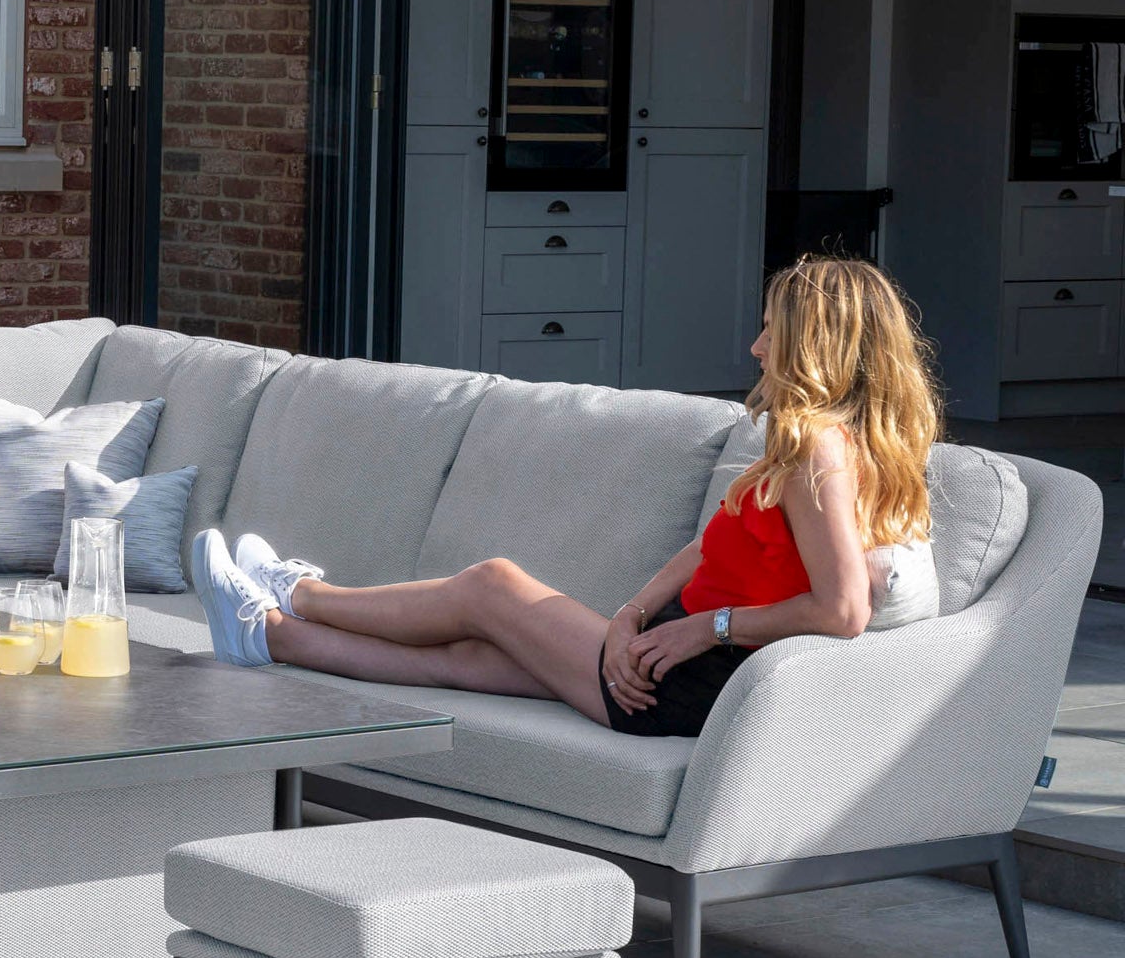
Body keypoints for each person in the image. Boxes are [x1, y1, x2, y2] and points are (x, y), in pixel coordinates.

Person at [192, 255, 941, 739]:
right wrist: (632, 612)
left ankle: (300, 592)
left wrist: (700, 631)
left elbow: (844, 612)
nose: (755, 349)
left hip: (687, 679)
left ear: (819, 346)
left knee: (492, 585)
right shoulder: (828, 444)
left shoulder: (821, 450)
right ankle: (266, 633)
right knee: (464, 655)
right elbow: (706, 546)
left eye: (771, 333)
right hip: (664, 649)